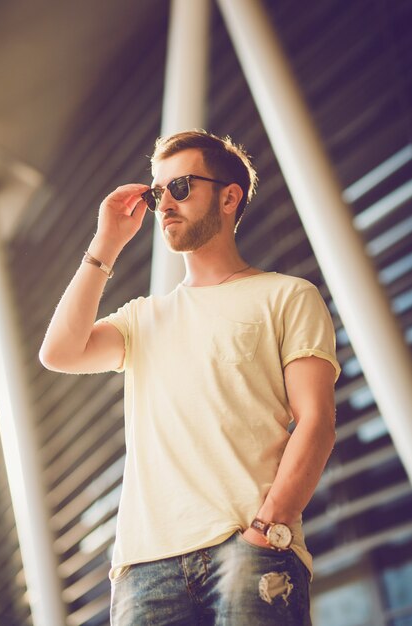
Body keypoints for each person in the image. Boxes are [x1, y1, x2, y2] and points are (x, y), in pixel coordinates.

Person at [40, 130, 340, 626]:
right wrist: (106, 242)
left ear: (229, 196)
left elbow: (317, 422)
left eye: (180, 187)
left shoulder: (287, 296)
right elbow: (59, 353)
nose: (164, 205)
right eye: (157, 193)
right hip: (144, 569)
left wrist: (269, 528)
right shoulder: (141, 318)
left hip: (248, 548)